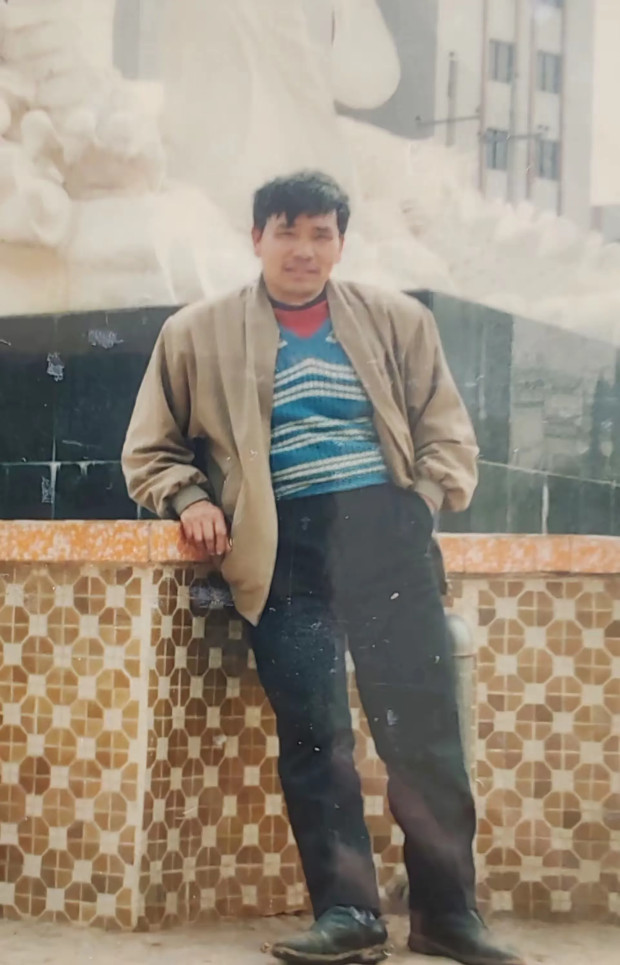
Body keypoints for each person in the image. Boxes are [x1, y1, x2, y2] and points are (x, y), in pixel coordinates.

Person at [122, 171, 524, 965]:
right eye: (287, 231)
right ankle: (349, 914)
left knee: (424, 734)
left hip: (387, 539)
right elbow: (150, 448)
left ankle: (448, 914)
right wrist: (190, 497)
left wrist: (424, 501)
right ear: (256, 238)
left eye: (320, 234)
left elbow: (447, 431)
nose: (303, 249)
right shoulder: (195, 332)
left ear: (341, 242)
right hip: (283, 550)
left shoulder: (399, 320)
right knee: (317, 735)